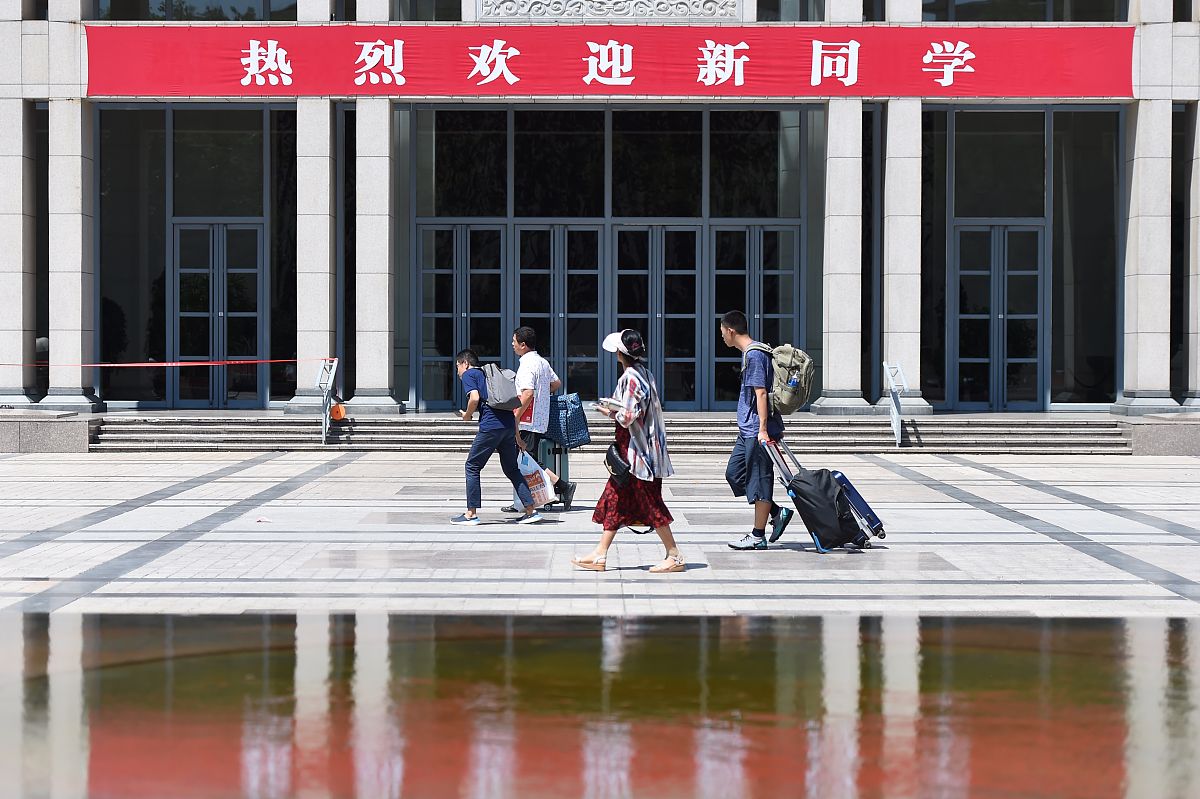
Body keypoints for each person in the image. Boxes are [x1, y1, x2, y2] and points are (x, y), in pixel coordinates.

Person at [572, 329, 685, 573]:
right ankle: (600, 554)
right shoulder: (644, 373)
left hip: (637, 452)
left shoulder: (631, 377)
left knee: (650, 502)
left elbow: (628, 416)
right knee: (614, 499)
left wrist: (609, 411)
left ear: (619, 353)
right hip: (638, 450)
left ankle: (674, 555)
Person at [719, 310, 794, 550]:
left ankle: (757, 535)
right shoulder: (752, 353)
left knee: (760, 481)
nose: (722, 337)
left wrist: (762, 429)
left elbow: (760, 392)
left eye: (722, 333)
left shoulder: (753, 355)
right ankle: (776, 512)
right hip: (747, 430)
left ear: (731, 330)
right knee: (734, 473)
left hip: (757, 430)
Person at [451, 349, 543, 526]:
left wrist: (467, 415)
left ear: (465, 363)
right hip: (508, 426)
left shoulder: (470, 374)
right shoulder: (489, 374)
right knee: (512, 469)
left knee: (472, 466)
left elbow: (475, 398)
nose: (458, 372)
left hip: (490, 427)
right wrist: (517, 436)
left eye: (457, 367)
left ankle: (471, 514)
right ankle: (531, 511)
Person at [505, 326, 578, 512]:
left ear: (523, 344)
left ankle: (560, 487)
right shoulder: (542, 362)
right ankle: (527, 500)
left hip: (527, 420)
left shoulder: (527, 365)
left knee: (524, 461)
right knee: (527, 460)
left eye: (514, 341)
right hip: (540, 418)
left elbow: (527, 393)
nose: (512, 344)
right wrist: (543, 395)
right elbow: (556, 383)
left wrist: (517, 415)